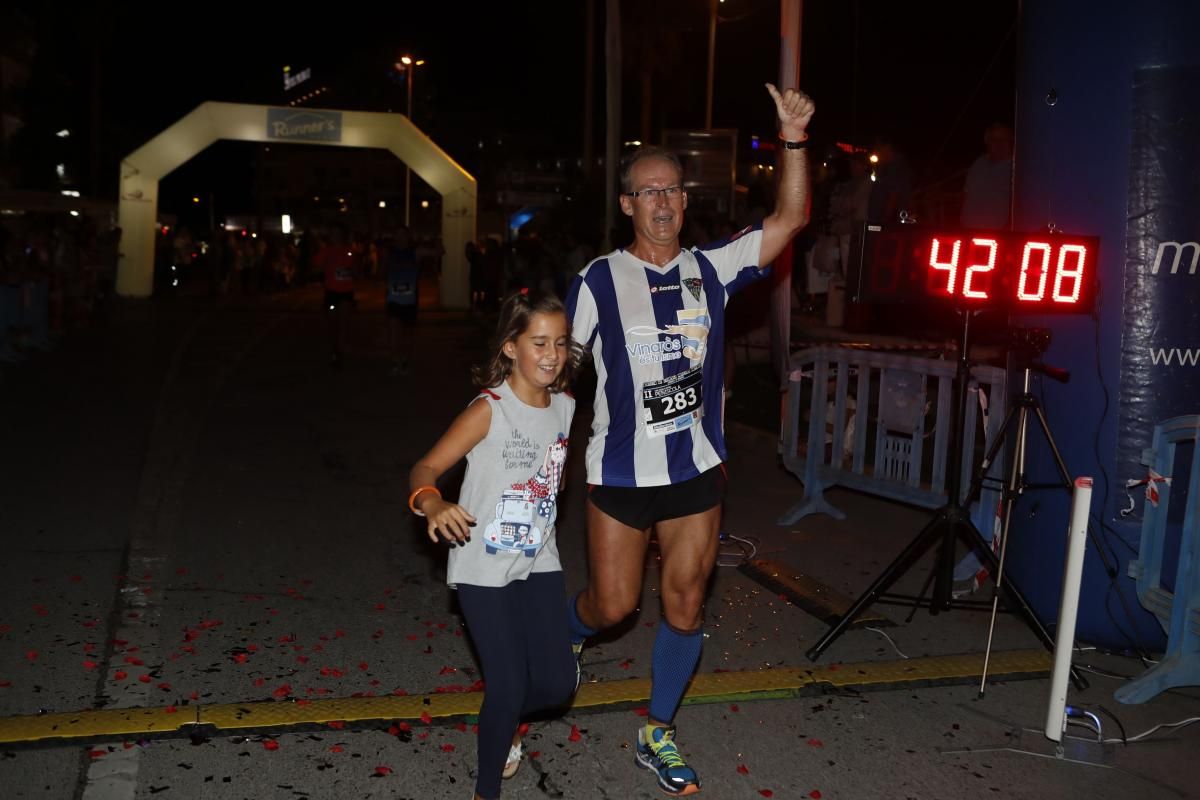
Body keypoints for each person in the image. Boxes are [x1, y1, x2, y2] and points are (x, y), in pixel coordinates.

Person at [562, 83, 814, 796]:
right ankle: (569, 637)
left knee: (684, 605)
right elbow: (561, 373)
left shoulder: (714, 268)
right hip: (618, 475)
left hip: (695, 471)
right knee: (612, 607)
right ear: (627, 206)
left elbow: (791, 217)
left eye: (672, 190)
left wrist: (793, 137)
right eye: (648, 193)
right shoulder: (598, 281)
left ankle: (658, 729)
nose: (664, 203)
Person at [408, 291, 581, 800]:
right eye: (539, 342)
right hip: (483, 568)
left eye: (562, 343)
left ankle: (506, 722)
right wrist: (432, 504)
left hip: (538, 562)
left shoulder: (566, 408)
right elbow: (425, 469)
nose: (552, 354)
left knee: (556, 686)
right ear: (510, 347)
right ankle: (487, 789)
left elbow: (553, 480)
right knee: (506, 685)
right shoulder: (489, 410)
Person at [960, 122, 1014, 230]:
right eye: (994, 140)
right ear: (987, 141)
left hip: (998, 236)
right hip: (968, 230)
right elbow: (965, 194)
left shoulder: (1017, 168)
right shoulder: (978, 163)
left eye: (1004, 139)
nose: (999, 144)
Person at [314, 227, 355, 367]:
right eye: (333, 234)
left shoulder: (350, 250)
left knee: (343, 323)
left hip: (346, 292)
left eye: (338, 234)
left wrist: (350, 269)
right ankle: (334, 349)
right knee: (333, 324)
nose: (335, 236)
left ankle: (340, 353)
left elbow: (357, 267)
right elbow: (316, 266)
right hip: (331, 292)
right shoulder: (326, 251)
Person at [384, 227, 420, 375]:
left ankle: (404, 360)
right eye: (397, 234)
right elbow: (381, 272)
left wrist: (437, 241)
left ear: (408, 237)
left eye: (403, 235)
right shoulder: (389, 254)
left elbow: (440, 252)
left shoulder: (415, 252)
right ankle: (395, 361)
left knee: (407, 335)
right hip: (393, 300)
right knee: (394, 333)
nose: (400, 238)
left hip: (410, 301)